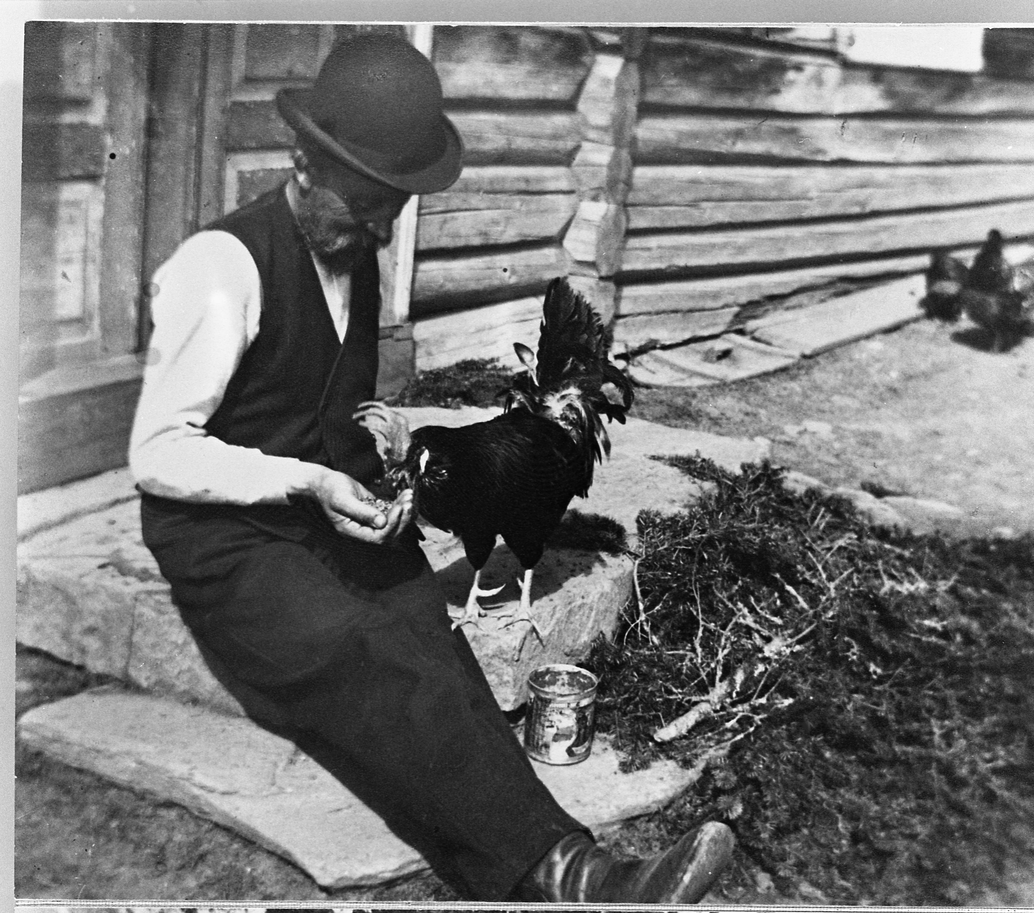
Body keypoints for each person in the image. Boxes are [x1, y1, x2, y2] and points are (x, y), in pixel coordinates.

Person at [128, 32, 734, 903]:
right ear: (302, 159)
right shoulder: (221, 270)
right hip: (222, 540)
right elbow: (158, 455)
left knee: (424, 624)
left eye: (394, 207)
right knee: (360, 644)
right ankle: (584, 880)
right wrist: (308, 481)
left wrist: (380, 481)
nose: (381, 226)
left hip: (316, 512)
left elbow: (323, 413)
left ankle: (550, 863)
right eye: (369, 201)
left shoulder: (353, 255)